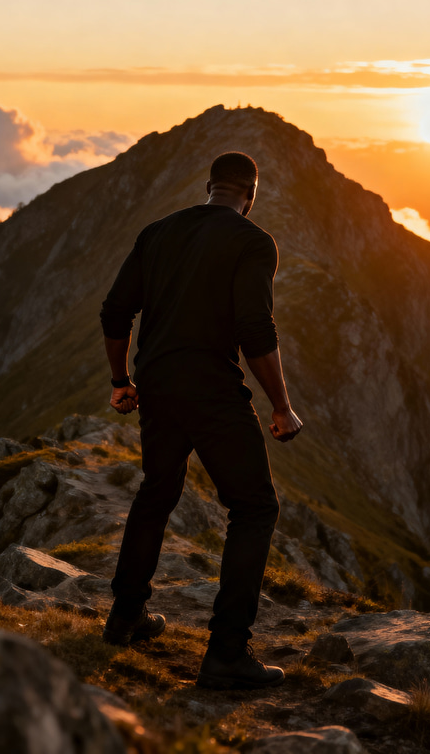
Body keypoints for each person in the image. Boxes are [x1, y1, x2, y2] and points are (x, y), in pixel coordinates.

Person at [99, 151, 303, 690]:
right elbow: (255, 327)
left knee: (157, 491)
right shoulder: (253, 242)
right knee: (255, 508)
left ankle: (124, 617)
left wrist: (122, 381)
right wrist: (281, 406)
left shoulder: (158, 232)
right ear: (249, 196)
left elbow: (115, 311)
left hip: (158, 384)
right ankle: (227, 652)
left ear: (209, 186)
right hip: (212, 391)